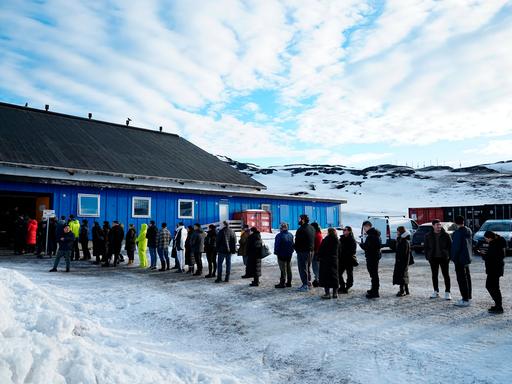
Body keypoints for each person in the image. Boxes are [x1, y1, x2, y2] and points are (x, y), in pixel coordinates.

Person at [424, 219, 452, 300]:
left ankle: (447, 292)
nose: (439, 226)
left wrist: (449, 256)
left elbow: (450, 246)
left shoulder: (446, 235)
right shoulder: (428, 235)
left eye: (440, 225)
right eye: (437, 225)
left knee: (446, 275)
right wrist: (428, 257)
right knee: (434, 275)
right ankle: (436, 291)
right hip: (433, 258)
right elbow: (426, 247)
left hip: (444, 258)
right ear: (433, 226)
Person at [451, 215, 472, 307]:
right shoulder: (469, 230)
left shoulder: (457, 233)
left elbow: (456, 248)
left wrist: (453, 258)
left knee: (461, 279)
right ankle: (468, 297)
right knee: (467, 278)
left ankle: (465, 299)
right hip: (467, 258)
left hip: (459, 259)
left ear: (455, 223)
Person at [483, 231, 506, 314]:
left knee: (491, 286)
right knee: (494, 287)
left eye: (486, 238)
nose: (486, 240)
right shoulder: (498, 242)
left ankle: (499, 306)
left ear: (490, 238)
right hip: (496, 269)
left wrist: (484, 255)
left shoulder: (494, 244)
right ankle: (498, 305)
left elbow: (492, 257)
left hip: (494, 269)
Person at [360, 221, 382, 299]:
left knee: (374, 275)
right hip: (373, 257)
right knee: (373, 275)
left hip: (372, 257)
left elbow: (371, 247)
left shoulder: (372, 235)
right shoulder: (373, 234)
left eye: (364, 227)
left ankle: (375, 292)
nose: (364, 229)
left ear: (368, 226)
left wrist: (362, 245)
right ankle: (373, 289)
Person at [294, 214, 315, 292]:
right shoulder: (312, 228)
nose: (298, 220)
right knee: (308, 267)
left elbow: (298, 242)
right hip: (311, 251)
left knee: (302, 268)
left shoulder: (301, 229)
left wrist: (296, 248)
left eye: (299, 219)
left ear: (303, 220)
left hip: (303, 252)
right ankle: (309, 283)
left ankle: (305, 285)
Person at [318, 228, 340, 299]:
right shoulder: (337, 240)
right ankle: (335, 293)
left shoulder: (326, 240)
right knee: (334, 276)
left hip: (325, 261)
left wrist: (319, 257)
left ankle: (327, 294)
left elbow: (321, 250)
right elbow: (340, 250)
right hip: (334, 260)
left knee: (326, 277)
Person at [274, 223, 294, 288]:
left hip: (281, 254)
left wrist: (276, 252)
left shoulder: (279, 236)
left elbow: (277, 245)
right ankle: (289, 282)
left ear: (282, 228)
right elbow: (292, 244)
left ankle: (282, 283)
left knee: (283, 269)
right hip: (289, 254)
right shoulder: (291, 235)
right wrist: (291, 251)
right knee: (289, 268)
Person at [338, 226, 357, 294]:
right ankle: (342, 286)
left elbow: (353, 251)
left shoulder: (352, 240)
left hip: (349, 260)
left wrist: (345, 253)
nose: (344, 231)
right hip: (341, 260)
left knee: (349, 274)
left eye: (345, 230)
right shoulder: (341, 239)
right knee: (338, 273)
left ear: (349, 231)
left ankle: (348, 286)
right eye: (343, 230)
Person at [393, 226, 411, 297]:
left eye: (398, 231)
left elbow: (403, 252)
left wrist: (400, 260)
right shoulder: (402, 239)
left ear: (400, 232)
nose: (397, 233)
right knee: (404, 275)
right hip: (402, 260)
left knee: (402, 275)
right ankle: (406, 290)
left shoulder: (404, 241)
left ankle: (402, 290)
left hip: (402, 261)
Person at [311, 222, 323, 288]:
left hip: (316, 254)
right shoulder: (319, 234)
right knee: (317, 267)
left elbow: (316, 245)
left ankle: (317, 280)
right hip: (318, 253)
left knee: (316, 268)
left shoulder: (316, 235)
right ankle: (318, 279)